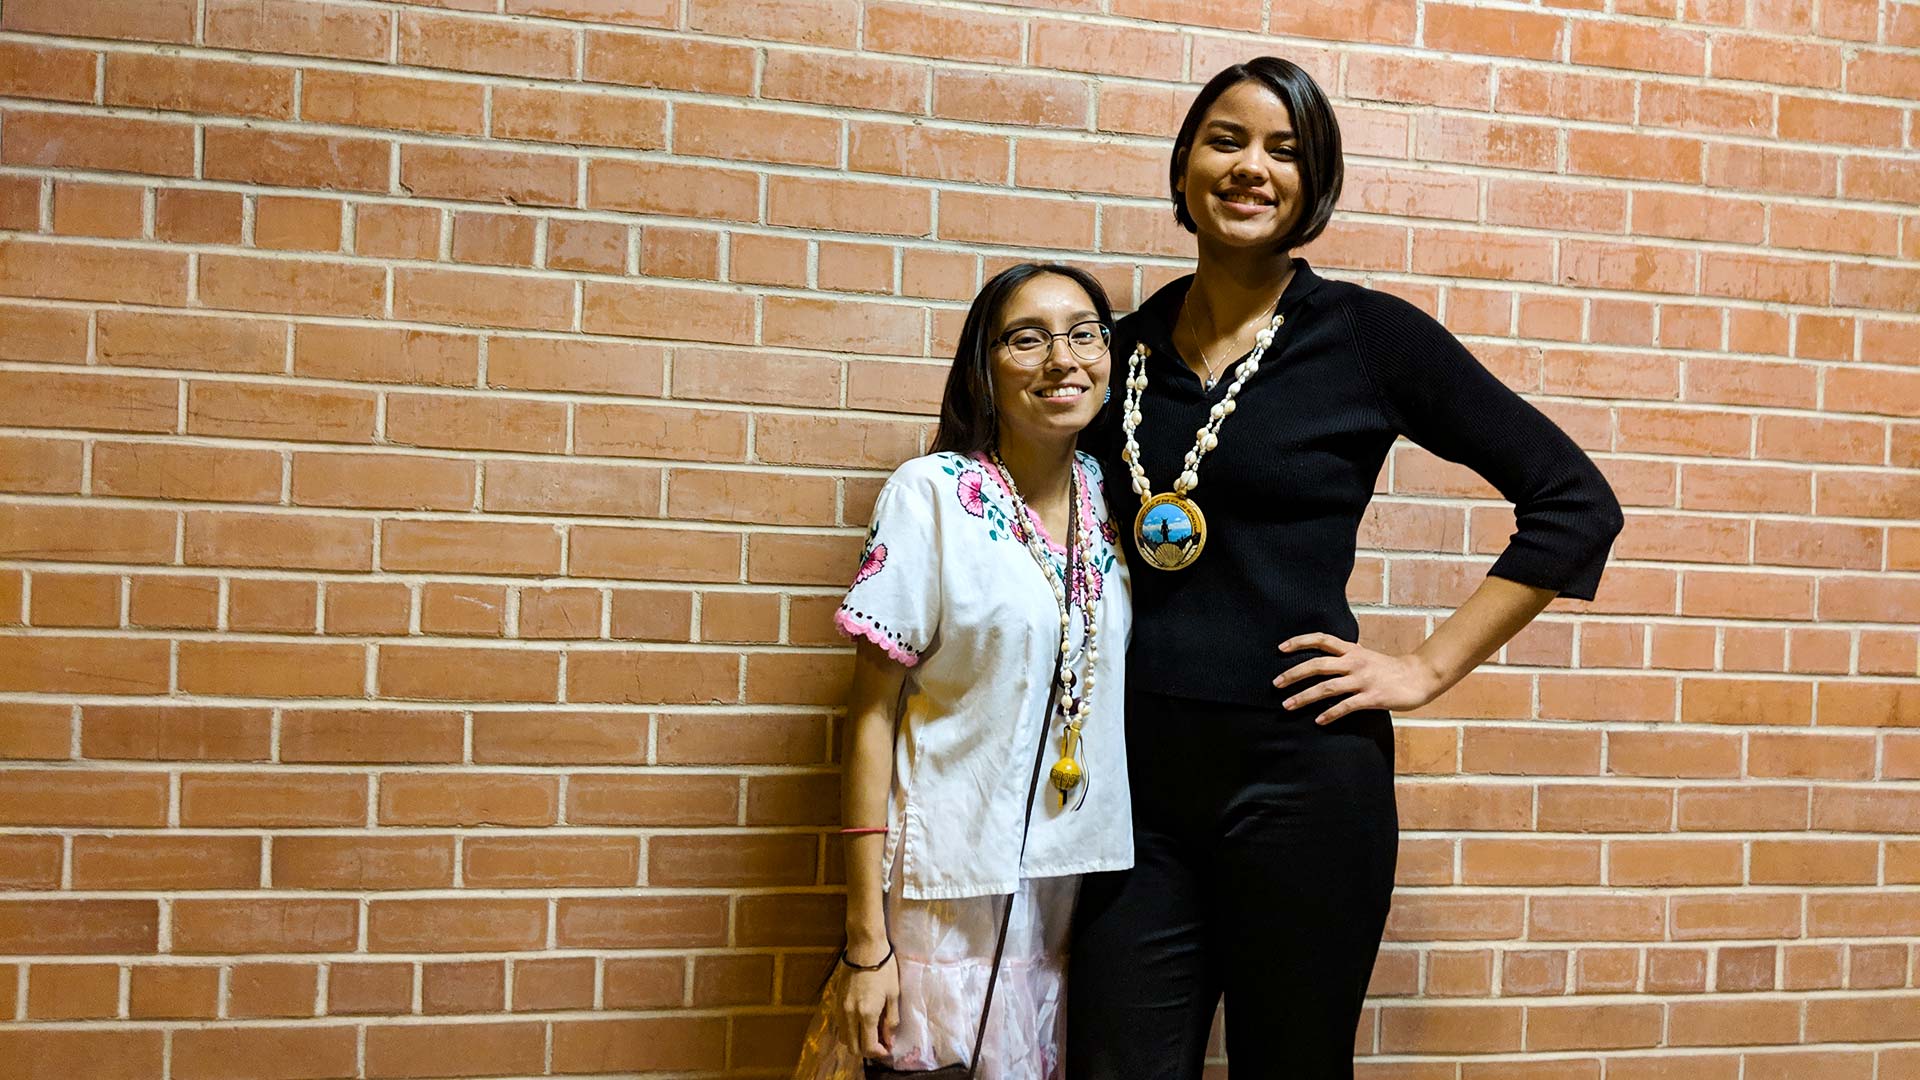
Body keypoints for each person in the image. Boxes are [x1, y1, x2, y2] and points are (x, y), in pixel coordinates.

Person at [1066, 58, 1625, 1080]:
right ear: (1185, 163)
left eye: (1285, 150)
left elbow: (1573, 504)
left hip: (1304, 784)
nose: (1251, 167)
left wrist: (1424, 668)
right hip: (1128, 788)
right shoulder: (1119, 351)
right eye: (1226, 139)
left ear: (1315, 182)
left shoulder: (1365, 337)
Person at [794, 264, 1133, 1080]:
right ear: (984, 365)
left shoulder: (1115, 496)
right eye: (1028, 338)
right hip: (946, 886)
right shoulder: (931, 495)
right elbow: (870, 714)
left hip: (1072, 888)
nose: (1064, 359)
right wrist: (867, 943)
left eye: (1085, 334)